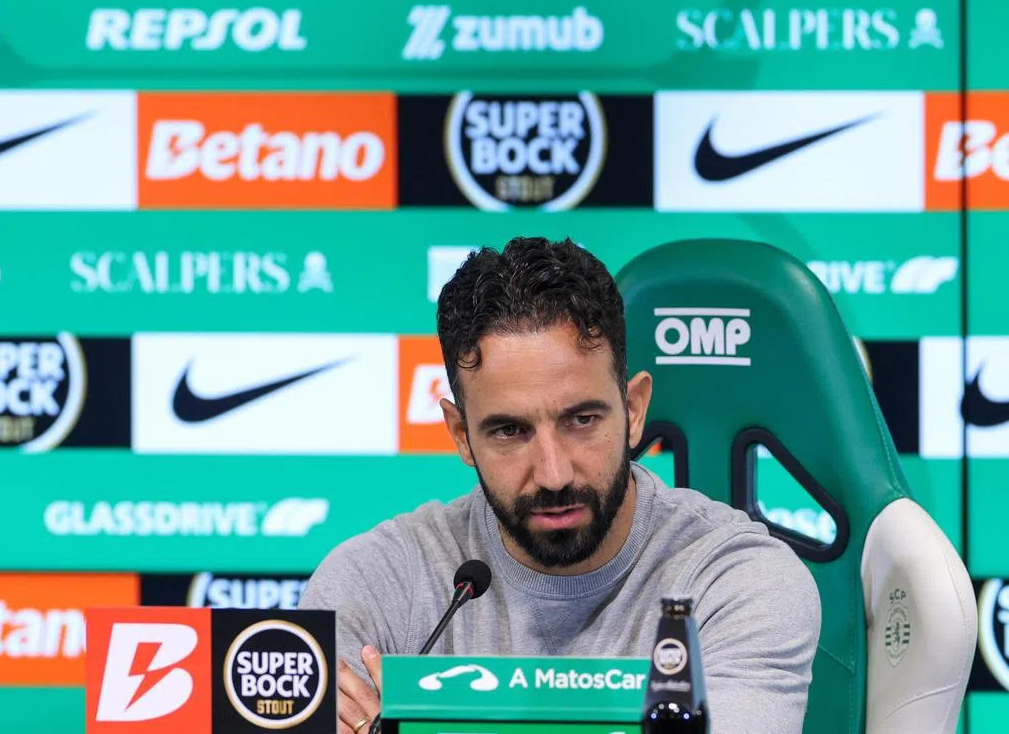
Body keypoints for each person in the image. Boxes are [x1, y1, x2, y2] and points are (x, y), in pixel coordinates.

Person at [298, 236, 822, 734]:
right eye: (510, 430)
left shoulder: (737, 582)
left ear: (634, 410)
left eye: (582, 420)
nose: (553, 474)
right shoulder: (376, 583)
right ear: (461, 434)